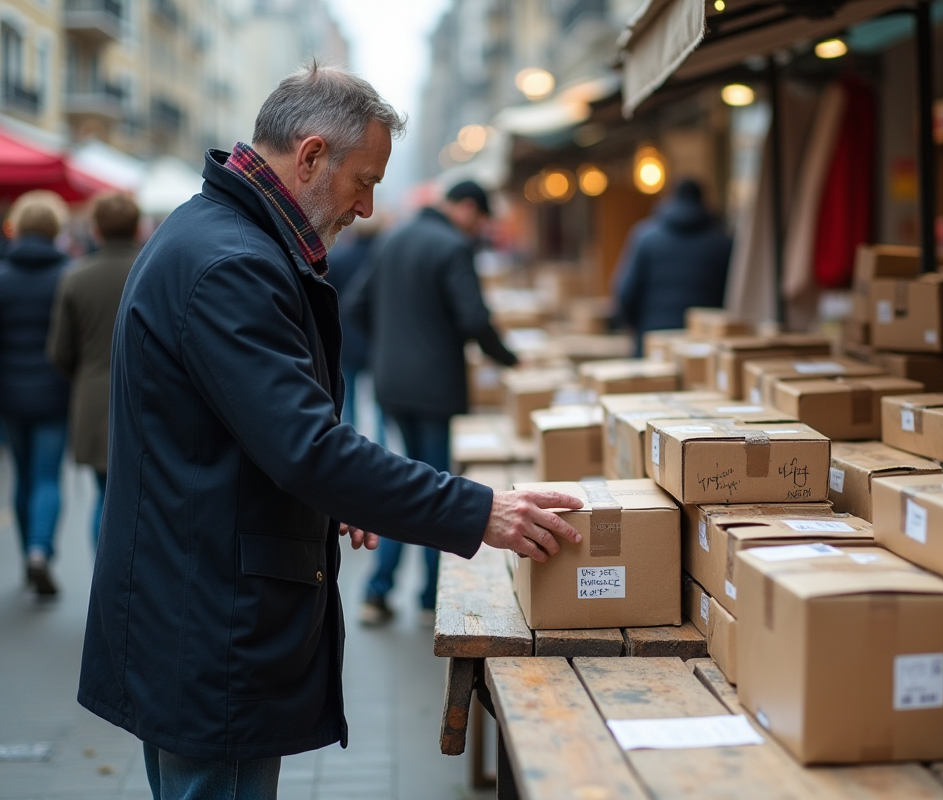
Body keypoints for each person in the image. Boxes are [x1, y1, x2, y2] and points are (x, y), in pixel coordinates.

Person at [77, 63, 581, 800]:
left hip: (193, 599)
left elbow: (253, 431)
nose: (369, 207)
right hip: (210, 620)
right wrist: (484, 512)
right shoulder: (233, 263)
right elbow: (309, 448)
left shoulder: (216, 234)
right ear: (310, 156)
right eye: (362, 180)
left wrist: (333, 494)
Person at [347, 180, 518, 626]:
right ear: (465, 208)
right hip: (436, 388)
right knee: (437, 488)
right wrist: (510, 360)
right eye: (479, 219)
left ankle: (378, 590)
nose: (478, 228)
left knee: (399, 482)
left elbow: (356, 305)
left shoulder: (392, 238)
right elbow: (474, 318)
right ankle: (428, 598)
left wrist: (391, 345)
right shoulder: (453, 247)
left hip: (390, 385)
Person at [47, 191, 142, 549]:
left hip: (93, 394)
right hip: (146, 395)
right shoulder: (154, 267)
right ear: (137, 228)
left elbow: (59, 351)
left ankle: (104, 582)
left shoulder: (75, 277)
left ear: (97, 231)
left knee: (104, 496)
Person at [0, 190, 71, 598]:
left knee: (22, 476)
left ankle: (30, 551)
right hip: (53, 392)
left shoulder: (3, 278)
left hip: (10, 395)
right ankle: (39, 550)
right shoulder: (68, 275)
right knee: (48, 476)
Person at [614, 178, 734, 355]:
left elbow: (625, 292)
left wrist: (636, 328)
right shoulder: (722, 242)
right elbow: (732, 295)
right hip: (703, 346)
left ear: (670, 198)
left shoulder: (645, 237)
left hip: (654, 341)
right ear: (704, 201)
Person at [323, 218, 382, 437]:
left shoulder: (338, 259)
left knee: (348, 396)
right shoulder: (381, 260)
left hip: (346, 337)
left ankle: (351, 437)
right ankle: (381, 441)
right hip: (375, 336)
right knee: (378, 400)